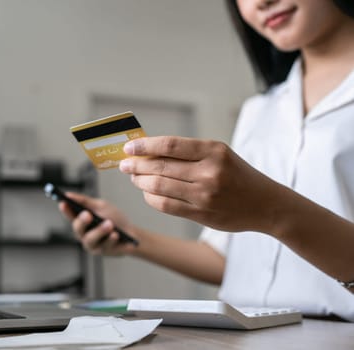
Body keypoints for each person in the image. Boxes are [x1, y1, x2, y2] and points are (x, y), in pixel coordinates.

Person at [59, 0, 354, 321]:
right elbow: (230, 261)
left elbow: (272, 216)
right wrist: (131, 237)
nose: (261, 3)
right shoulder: (259, 111)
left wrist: (272, 209)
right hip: (241, 333)